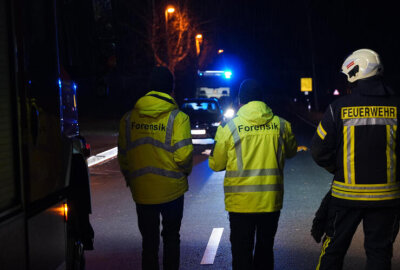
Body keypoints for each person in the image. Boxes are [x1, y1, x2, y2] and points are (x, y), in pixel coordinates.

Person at [311, 48, 400, 270]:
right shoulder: (397, 107)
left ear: (355, 72)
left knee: (333, 251)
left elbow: (317, 150)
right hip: (387, 198)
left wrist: (339, 169)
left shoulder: (338, 108)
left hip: (345, 197)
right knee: (379, 255)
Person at [209, 79, 298, 270]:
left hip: (240, 204)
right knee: (265, 251)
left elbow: (216, 165)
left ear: (240, 101)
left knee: (242, 253)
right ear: (262, 99)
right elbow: (291, 152)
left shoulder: (229, 127)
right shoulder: (281, 125)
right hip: (270, 202)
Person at [117, 66, 193, 270]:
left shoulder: (128, 119)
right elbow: (184, 155)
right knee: (171, 238)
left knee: (148, 243)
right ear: (171, 89)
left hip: (142, 191)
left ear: (149, 87)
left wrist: (131, 178)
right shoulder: (178, 118)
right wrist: (184, 172)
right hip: (172, 191)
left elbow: (124, 156)